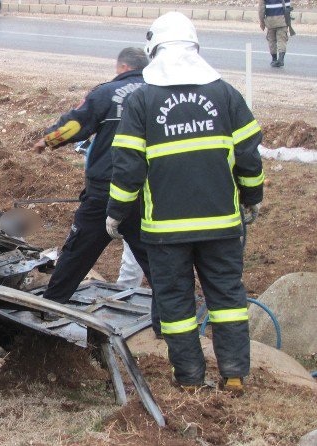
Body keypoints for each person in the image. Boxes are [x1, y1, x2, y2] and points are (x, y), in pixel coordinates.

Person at [106, 12, 264, 394]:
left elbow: (128, 167)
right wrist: (252, 197)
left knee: (175, 305)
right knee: (227, 298)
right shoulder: (225, 93)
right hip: (222, 225)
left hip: (165, 231)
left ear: (154, 50)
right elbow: (249, 156)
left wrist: (116, 212)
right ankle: (234, 374)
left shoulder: (142, 101)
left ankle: (190, 380)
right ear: (195, 47)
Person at [30, 48, 159, 334]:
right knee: (154, 257)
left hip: (106, 190)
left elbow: (77, 123)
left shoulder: (108, 93)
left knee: (78, 252)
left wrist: (48, 140)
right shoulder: (159, 92)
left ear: (121, 66)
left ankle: (50, 308)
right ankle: (167, 323)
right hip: (145, 191)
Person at [259, 0, 291, 67]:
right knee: (282, 40)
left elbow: (261, 9)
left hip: (270, 21)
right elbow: (289, 6)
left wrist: (262, 22)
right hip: (283, 20)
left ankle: (274, 59)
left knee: (272, 40)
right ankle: (281, 59)